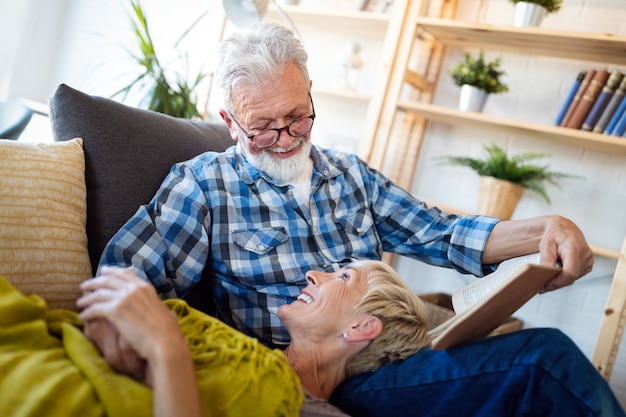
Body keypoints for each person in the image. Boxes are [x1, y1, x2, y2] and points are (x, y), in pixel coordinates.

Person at [88, 22, 618, 415]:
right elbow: (126, 273)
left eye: (298, 117)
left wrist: (544, 229)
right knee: (542, 360)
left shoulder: (349, 175)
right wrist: (127, 329)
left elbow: (441, 232)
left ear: (312, 95)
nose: (286, 138)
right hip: (326, 378)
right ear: (229, 122)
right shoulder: (205, 184)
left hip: (394, 352)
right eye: (263, 127)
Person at [76, 261, 432, 416]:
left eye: (343, 277)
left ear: (360, 328)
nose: (312, 274)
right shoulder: (242, 350)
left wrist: (167, 353)